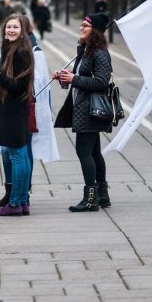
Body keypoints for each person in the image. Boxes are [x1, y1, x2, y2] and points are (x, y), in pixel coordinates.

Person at [52, 13, 113, 212]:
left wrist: (74, 79)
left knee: (84, 152)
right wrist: (64, 78)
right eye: (81, 25)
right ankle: (102, 195)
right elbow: (78, 78)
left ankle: (91, 199)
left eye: (85, 25)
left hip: (90, 109)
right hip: (84, 108)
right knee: (94, 152)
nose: (81, 28)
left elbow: (102, 82)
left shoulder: (99, 53)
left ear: (94, 30)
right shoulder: (87, 50)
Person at [0, 15, 34, 216]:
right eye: (8, 27)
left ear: (22, 31)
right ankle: (22, 202)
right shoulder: (11, 49)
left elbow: (20, 85)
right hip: (12, 108)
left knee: (18, 155)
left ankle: (15, 204)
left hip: (15, 108)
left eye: (15, 27)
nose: (11, 30)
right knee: (19, 155)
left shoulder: (20, 52)